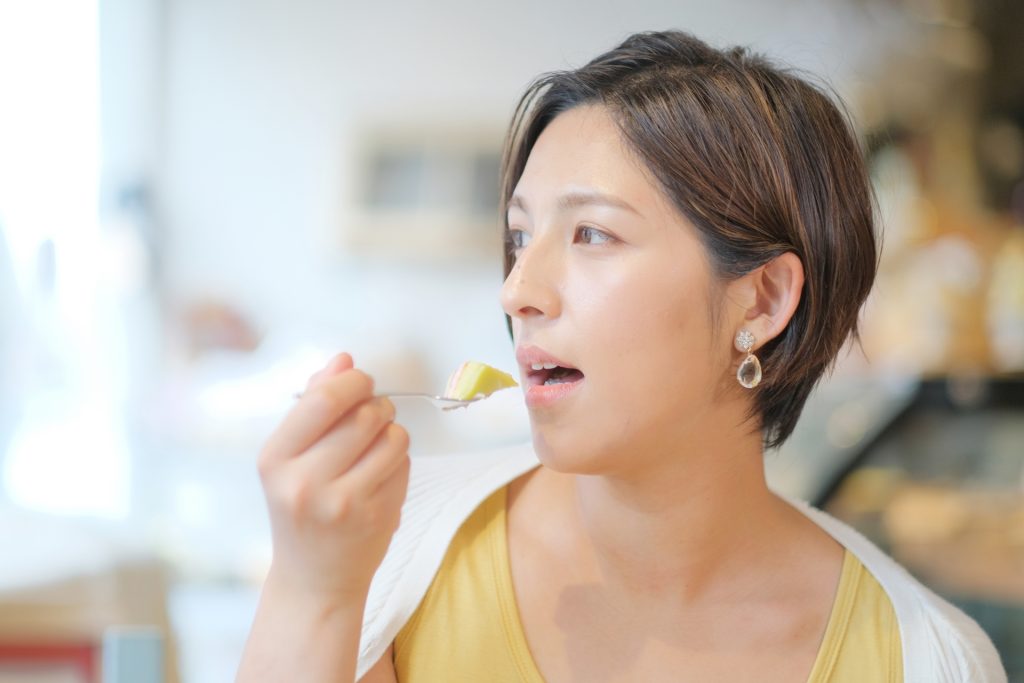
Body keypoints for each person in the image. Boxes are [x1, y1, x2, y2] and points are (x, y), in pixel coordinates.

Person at [237, 30, 1006, 682]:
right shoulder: (387, 555)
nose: (516, 289)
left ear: (762, 300)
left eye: (592, 234)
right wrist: (312, 591)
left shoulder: (928, 658)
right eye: (519, 236)